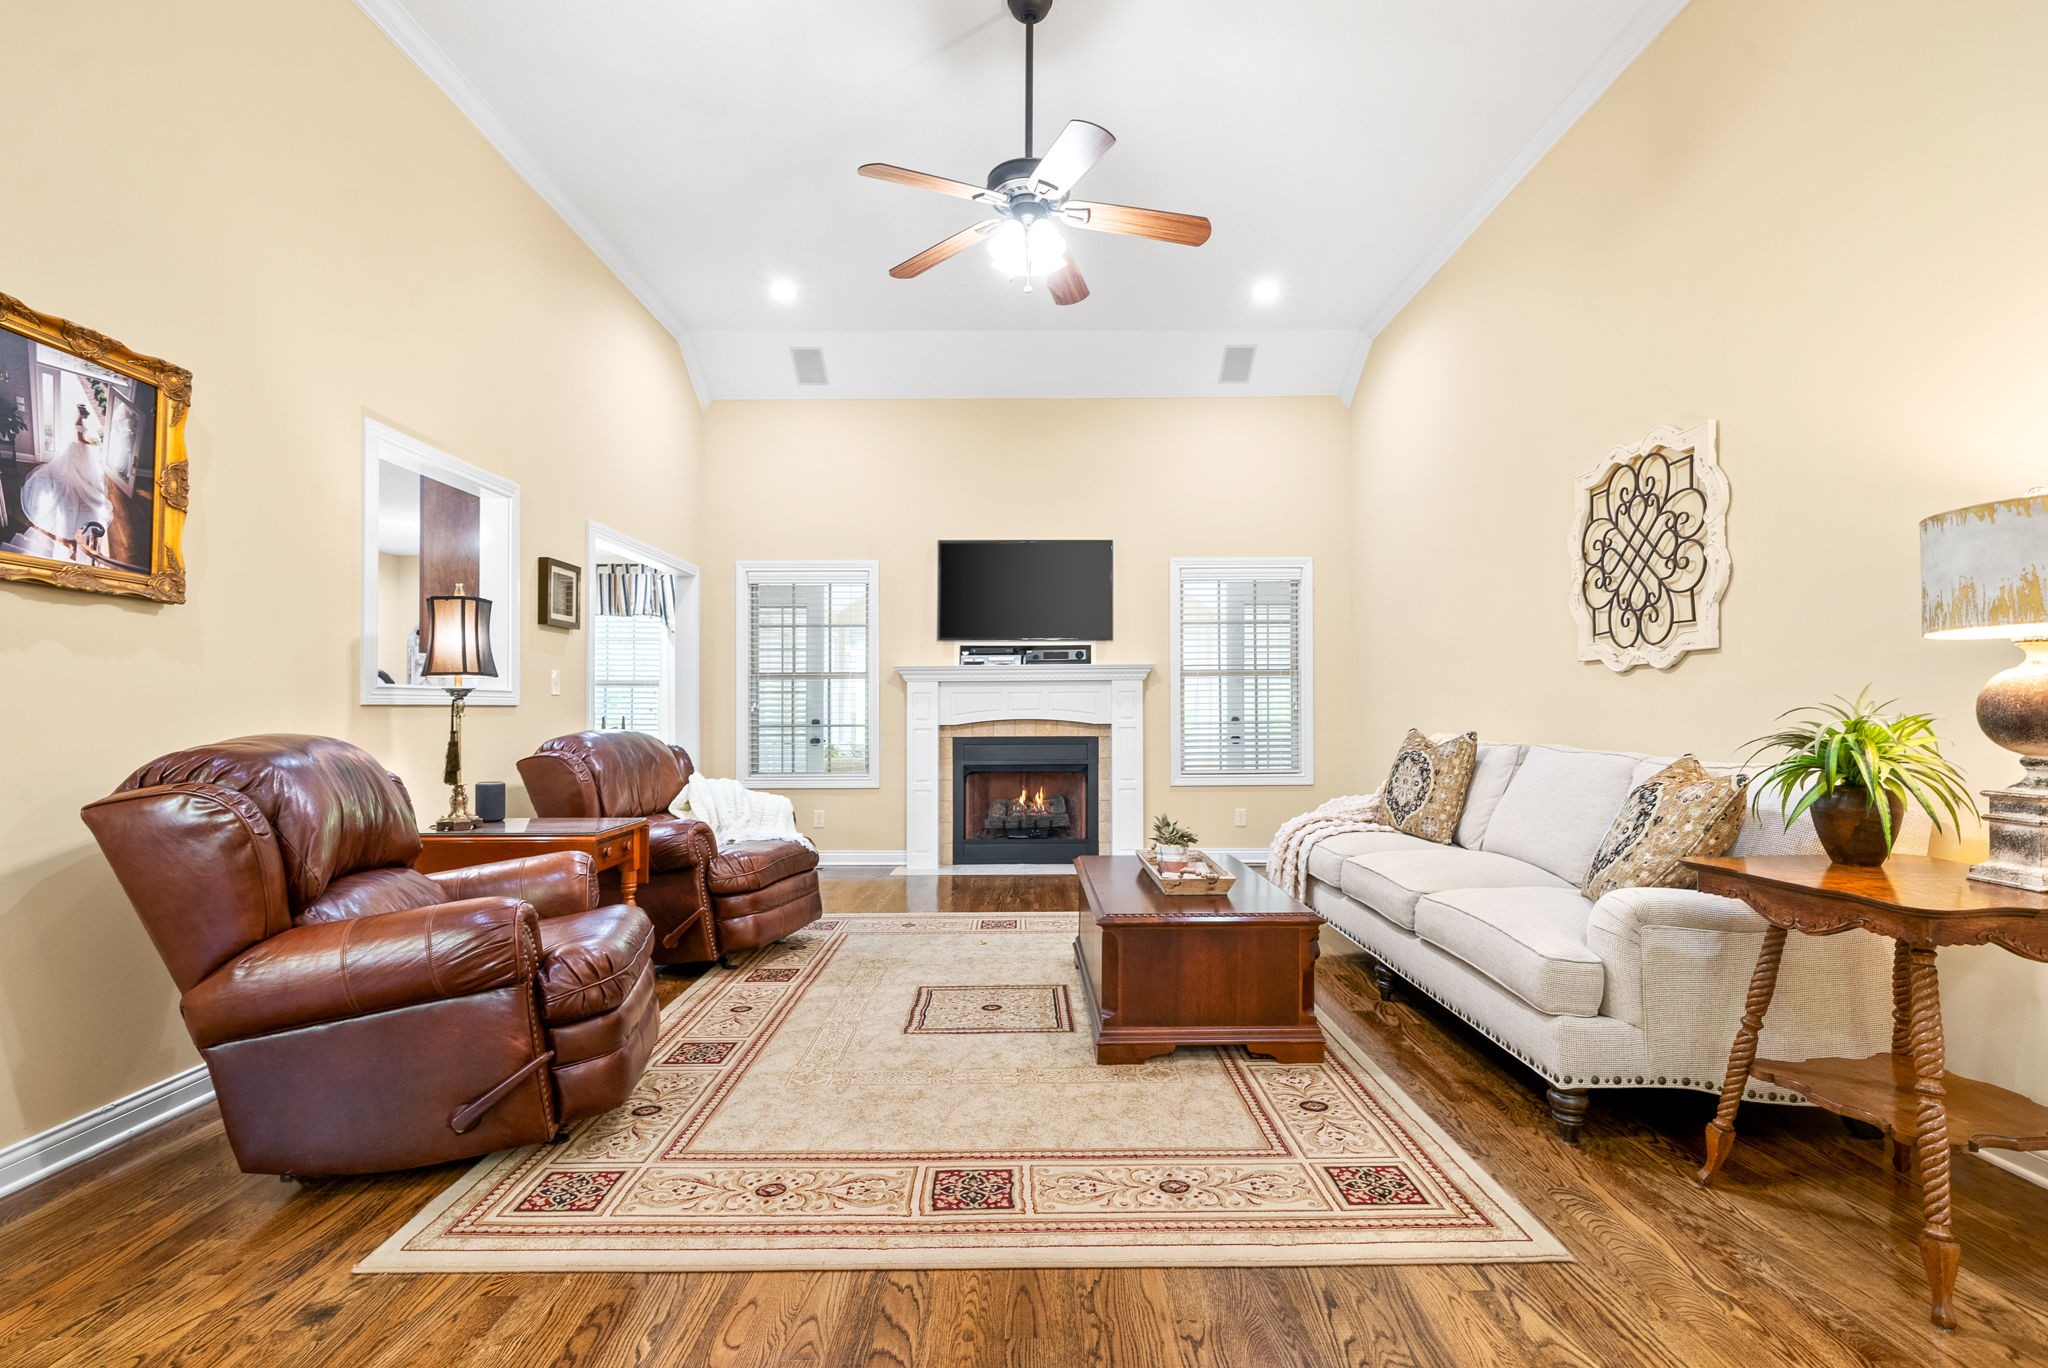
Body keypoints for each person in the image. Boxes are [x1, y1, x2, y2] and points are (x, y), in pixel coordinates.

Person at [20, 403, 114, 560]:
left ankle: (80, 485)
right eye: (85, 415)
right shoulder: (78, 423)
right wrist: (92, 443)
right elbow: (80, 439)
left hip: (79, 451)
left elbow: (81, 437)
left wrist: (89, 442)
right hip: (78, 450)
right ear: (82, 414)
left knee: (83, 473)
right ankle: (76, 489)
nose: (85, 418)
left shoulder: (80, 422)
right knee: (74, 476)